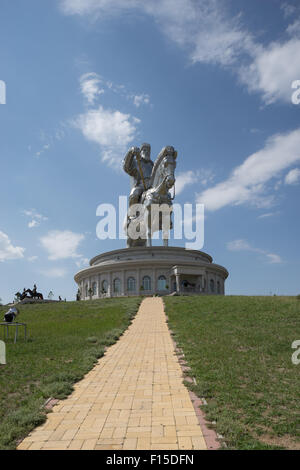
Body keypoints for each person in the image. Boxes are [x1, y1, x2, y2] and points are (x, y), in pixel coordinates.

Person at [123, 143, 154, 208]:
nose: (147, 152)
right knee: (135, 193)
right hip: (140, 186)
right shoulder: (136, 162)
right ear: (141, 151)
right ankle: (133, 213)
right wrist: (130, 153)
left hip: (152, 187)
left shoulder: (152, 165)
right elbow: (126, 167)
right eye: (144, 150)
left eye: (148, 151)